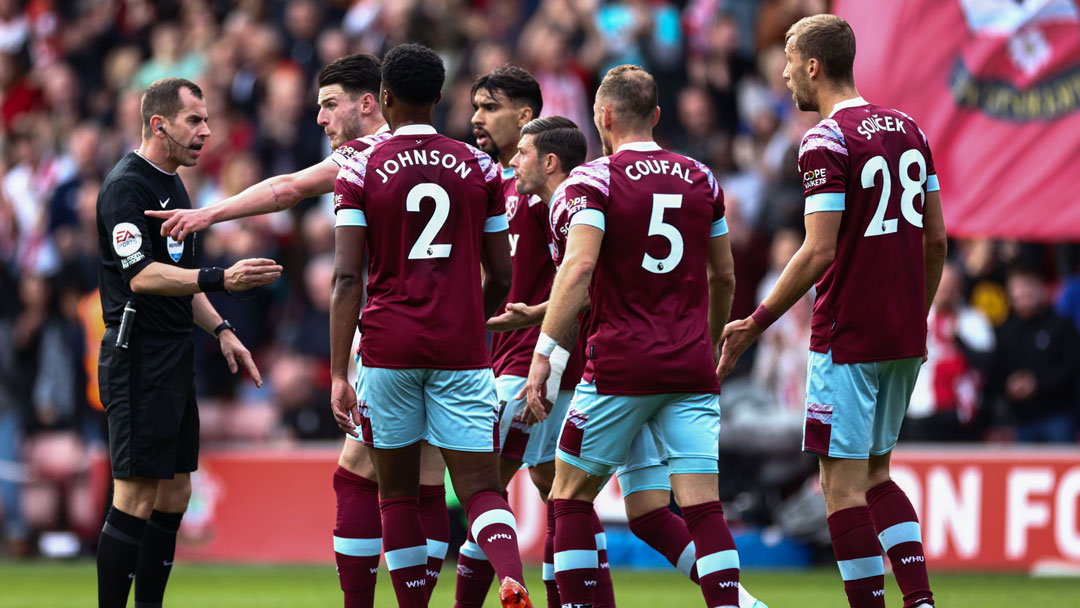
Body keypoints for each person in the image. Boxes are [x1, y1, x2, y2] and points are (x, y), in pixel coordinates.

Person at [146, 53, 451, 608]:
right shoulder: (456, 159)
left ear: (369, 103)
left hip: (391, 337)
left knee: (359, 476)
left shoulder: (367, 155)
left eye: (329, 105)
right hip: (454, 340)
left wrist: (209, 215)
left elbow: (289, 191)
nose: (320, 119)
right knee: (430, 481)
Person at [717, 14, 948, 608]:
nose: (784, 71)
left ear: (814, 66)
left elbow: (818, 248)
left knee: (839, 487)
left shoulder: (824, 141)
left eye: (790, 59)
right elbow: (936, 241)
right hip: (901, 332)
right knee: (877, 475)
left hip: (847, 332)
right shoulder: (911, 130)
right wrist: (913, 314)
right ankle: (919, 601)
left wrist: (755, 320)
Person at [523, 64, 741, 608]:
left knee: (568, 498)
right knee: (704, 510)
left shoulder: (591, 182)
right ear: (658, 117)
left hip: (619, 366)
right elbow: (725, 276)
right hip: (689, 367)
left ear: (604, 116)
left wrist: (543, 356)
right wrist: (706, 346)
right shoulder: (701, 178)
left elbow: (576, 272)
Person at [328, 43, 530, 608]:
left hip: (388, 347)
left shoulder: (361, 167)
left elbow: (347, 278)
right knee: (481, 489)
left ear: (384, 97)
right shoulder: (481, 168)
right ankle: (511, 576)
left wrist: (339, 371)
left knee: (394, 496)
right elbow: (503, 272)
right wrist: (471, 320)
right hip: (461, 349)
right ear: (440, 99)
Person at [94, 77, 282, 608]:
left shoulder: (174, 186)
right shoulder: (125, 187)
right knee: (135, 494)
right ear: (159, 125)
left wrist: (223, 330)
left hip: (174, 352)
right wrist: (221, 278)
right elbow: (142, 276)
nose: (206, 131)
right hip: (138, 354)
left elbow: (183, 276)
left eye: (206, 119)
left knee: (175, 492)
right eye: (194, 121)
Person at [984, 266, 1079, 442]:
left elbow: (1070, 367)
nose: (1023, 300)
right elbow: (995, 370)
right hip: (1021, 419)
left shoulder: (1061, 327)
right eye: (1017, 296)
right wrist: (1009, 384)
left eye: (1027, 293)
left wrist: (1036, 383)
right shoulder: (1004, 331)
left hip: (1057, 415)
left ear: (1040, 291)